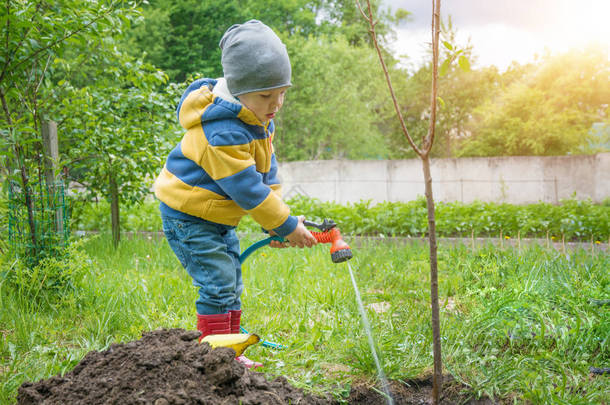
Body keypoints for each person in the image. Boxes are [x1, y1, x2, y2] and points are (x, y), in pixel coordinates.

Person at [153, 20, 316, 369]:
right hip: (189, 217)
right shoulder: (223, 130)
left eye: (282, 93)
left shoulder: (256, 118)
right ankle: (214, 358)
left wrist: (276, 223)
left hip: (215, 215)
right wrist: (286, 225)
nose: (277, 104)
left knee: (231, 282)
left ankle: (230, 355)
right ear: (240, 89)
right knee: (218, 284)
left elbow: (266, 175)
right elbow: (247, 189)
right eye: (266, 95)